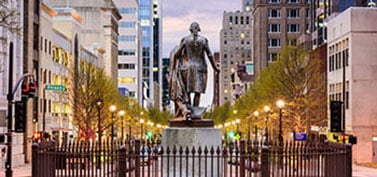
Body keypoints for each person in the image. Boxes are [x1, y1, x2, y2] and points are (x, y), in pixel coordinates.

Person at [169, 22, 219, 119]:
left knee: (187, 91)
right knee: (197, 92)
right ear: (199, 29)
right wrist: (215, 68)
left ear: (190, 29)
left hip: (186, 68)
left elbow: (176, 54)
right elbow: (209, 54)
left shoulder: (185, 40)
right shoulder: (204, 40)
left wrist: (173, 68)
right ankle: (195, 112)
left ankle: (189, 111)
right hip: (200, 67)